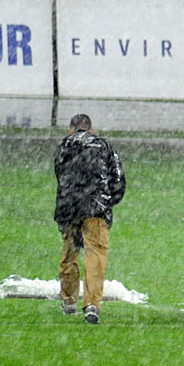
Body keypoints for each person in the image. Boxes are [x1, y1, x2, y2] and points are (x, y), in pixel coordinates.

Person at [54, 114, 126, 325]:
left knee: (69, 253)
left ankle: (68, 299)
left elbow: (59, 175)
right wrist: (108, 201)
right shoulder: (104, 146)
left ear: (71, 130)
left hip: (69, 208)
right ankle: (92, 304)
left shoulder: (64, 146)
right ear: (91, 130)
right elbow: (118, 179)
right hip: (96, 208)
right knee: (95, 255)